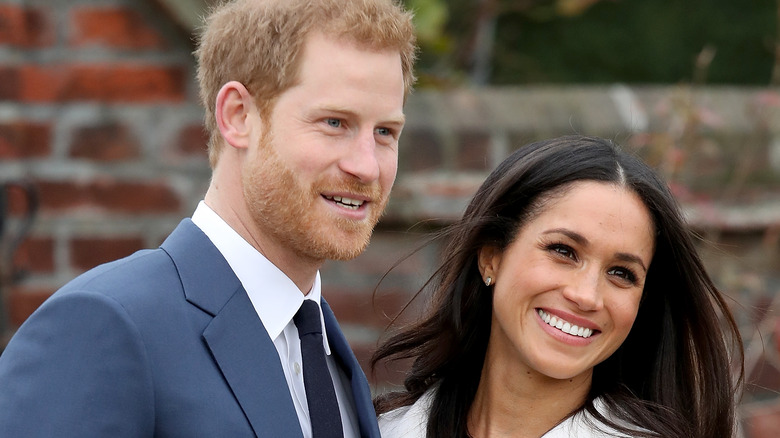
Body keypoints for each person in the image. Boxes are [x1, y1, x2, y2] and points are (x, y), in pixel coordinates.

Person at [0, 0, 416, 437]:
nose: (368, 166)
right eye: (335, 122)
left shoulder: (327, 355)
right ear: (238, 115)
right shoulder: (103, 325)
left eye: (385, 131)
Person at [372, 135, 744, 438]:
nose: (586, 295)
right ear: (491, 257)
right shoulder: (376, 429)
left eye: (621, 273)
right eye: (563, 251)